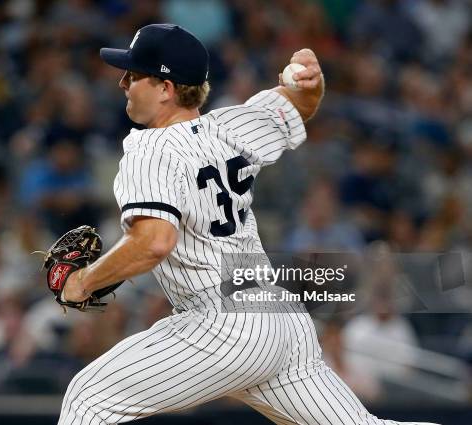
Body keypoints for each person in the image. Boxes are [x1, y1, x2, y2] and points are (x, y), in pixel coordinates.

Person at [56, 24, 437, 425]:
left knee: (89, 399)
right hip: (279, 320)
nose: (122, 83)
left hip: (221, 325)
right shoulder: (233, 125)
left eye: (133, 75)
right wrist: (310, 82)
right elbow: (300, 104)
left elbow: (153, 242)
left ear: (166, 87)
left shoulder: (150, 149)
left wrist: (82, 282)